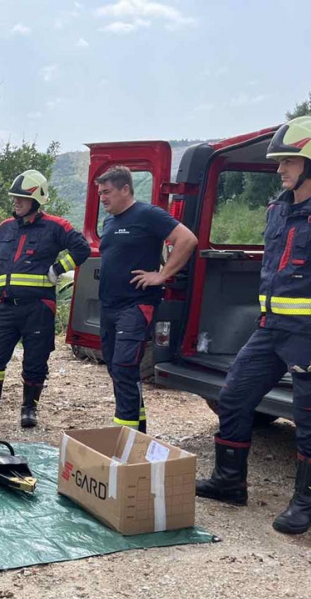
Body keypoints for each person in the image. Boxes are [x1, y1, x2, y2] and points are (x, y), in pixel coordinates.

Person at [197, 116, 311, 535]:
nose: (280, 170)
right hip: (271, 329)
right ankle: (229, 482)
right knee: (234, 396)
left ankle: (306, 506)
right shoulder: (279, 206)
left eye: (288, 162)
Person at [0, 170, 90, 427]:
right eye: (14, 198)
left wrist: (58, 268)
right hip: (7, 306)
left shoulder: (56, 226)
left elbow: (82, 248)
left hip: (38, 307)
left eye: (21, 198)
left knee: (35, 360)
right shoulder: (4, 228)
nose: (16, 202)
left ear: (37, 199)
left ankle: (29, 409)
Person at [96, 165, 198, 433]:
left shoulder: (148, 214)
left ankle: (124, 439)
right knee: (117, 369)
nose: (102, 198)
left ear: (125, 189)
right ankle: (138, 430)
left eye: (107, 192)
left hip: (136, 305)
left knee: (124, 365)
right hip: (109, 307)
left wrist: (162, 274)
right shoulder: (109, 222)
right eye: (100, 193)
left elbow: (186, 239)